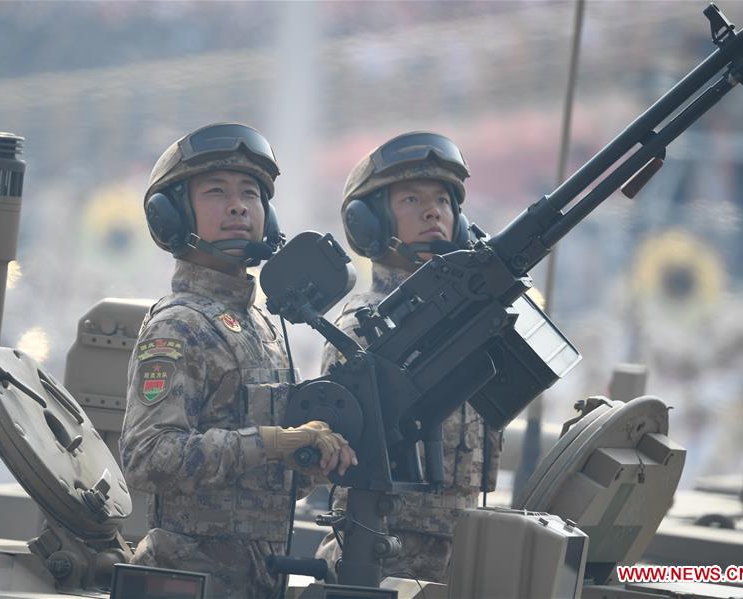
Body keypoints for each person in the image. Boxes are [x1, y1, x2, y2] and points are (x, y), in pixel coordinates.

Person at [119, 122, 357, 598]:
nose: (237, 206)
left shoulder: (262, 326)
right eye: (215, 192)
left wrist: (310, 458)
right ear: (171, 216)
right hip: (187, 581)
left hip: (255, 580)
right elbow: (147, 458)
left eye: (250, 193)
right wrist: (277, 442)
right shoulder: (177, 325)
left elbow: (263, 485)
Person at [315, 131, 502, 582]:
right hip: (379, 549)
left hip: (463, 551)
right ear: (371, 223)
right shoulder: (362, 325)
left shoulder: (473, 319)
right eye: (412, 200)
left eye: (442, 200)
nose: (433, 211)